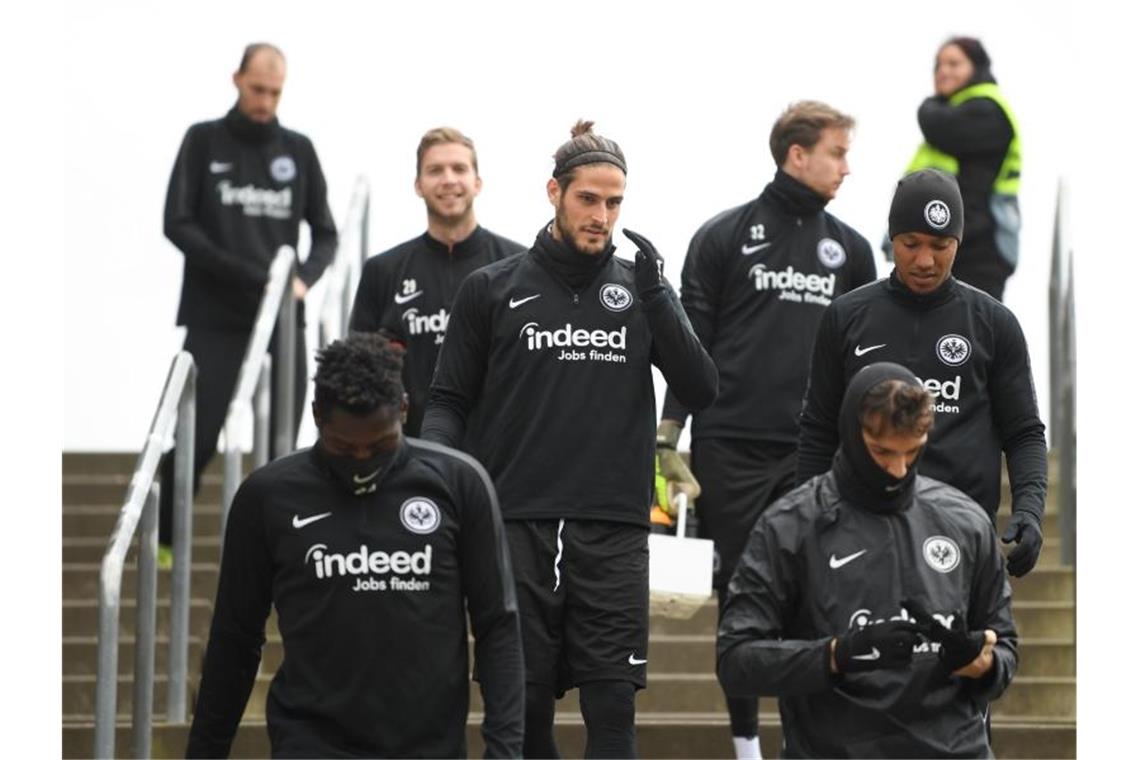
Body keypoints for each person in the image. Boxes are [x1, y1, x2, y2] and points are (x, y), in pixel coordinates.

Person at [422, 121, 718, 758]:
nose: (602, 216)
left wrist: (659, 295)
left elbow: (702, 384)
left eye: (615, 203)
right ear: (554, 192)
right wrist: (438, 477)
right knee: (525, 714)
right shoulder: (490, 288)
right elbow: (447, 401)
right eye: (589, 199)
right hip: (515, 524)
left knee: (612, 711)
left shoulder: (640, 291)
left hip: (613, 528)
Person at [656, 100, 877, 759]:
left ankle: (813, 738)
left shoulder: (854, 249)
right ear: (797, 153)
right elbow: (692, 346)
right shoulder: (724, 236)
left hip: (820, 455)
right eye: (837, 153)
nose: (846, 167)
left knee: (821, 597)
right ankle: (747, 744)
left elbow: (867, 361)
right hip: (731, 446)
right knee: (745, 600)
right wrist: (669, 437)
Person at [185, 333, 524, 758]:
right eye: (344, 447)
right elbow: (234, 639)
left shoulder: (458, 483)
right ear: (316, 416)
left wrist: (506, 752)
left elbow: (498, 626)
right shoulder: (267, 497)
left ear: (404, 408)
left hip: (427, 748)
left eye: (380, 445)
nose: (363, 459)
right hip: (310, 744)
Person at [718, 362, 1018, 758]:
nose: (898, 468)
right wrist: (836, 655)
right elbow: (736, 661)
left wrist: (979, 662)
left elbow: (1005, 648)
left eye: (912, 451)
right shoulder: (791, 525)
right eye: (882, 452)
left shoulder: (965, 522)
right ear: (851, 433)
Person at [797, 168, 1047, 578]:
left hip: (960, 534)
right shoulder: (845, 317)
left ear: (959, 242)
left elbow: (1024, 433)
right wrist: (806, 518)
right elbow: (817, 429)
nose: (925, 260)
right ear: (892, 238)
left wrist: (1030, 510)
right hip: (860, 530)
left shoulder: (994, 324)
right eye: (911, 244)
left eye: (941, 245)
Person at [158, 42, 338, 560]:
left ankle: (283, 544)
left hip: (282, 317)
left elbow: (325, 233)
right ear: (237, 79)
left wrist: (301, 281)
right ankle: (166, 539)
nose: (265, 101)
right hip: (215, 314)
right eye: (258, 89)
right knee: (201, 429)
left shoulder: (298, 149)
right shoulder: (203, 140)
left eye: (275, 92)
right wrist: (246, 276)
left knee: (288, 435)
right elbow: (177, 222)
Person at [349, 127, 526, 436]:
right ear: (418, 185)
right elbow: (359, 372)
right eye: (435, 170)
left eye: (459, 168)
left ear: (477, 182)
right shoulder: (382, 270)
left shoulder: (519, 265)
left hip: (498, 458)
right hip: (409, 457)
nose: (448, 179)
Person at [893, 36, 1022, 301]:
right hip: (940, 244)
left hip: (978, 250)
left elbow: (937, 124)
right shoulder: (958, 110)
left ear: (977, 68)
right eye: (939, 65)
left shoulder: (986, 109)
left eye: (954, 63)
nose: (944, 71)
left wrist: (929, 105)